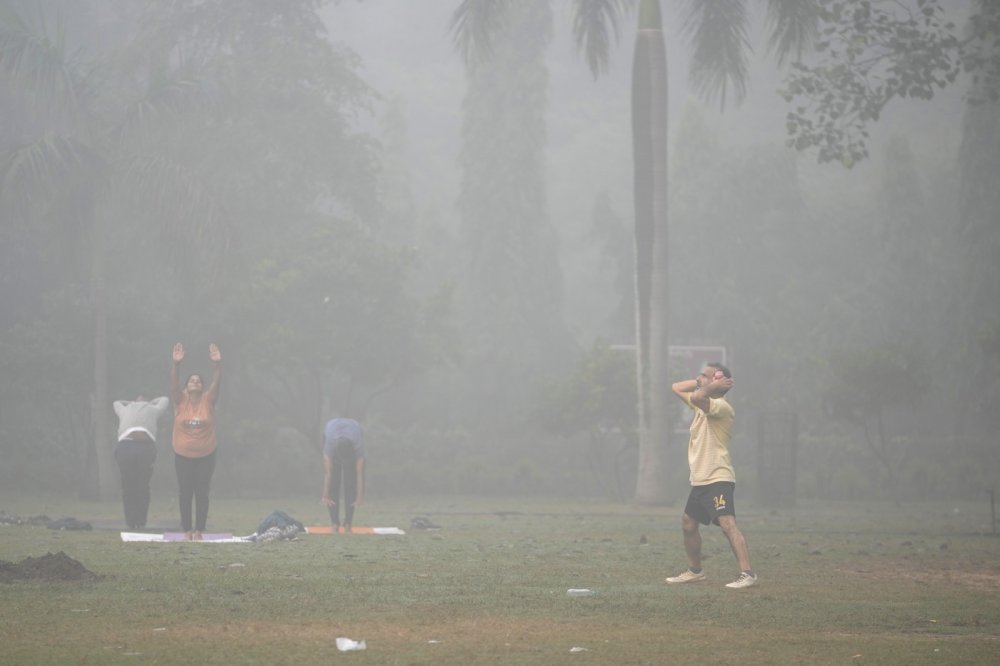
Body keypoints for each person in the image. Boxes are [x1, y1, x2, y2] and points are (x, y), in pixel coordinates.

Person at [665, 362, 757, 589]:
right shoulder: (701, 404)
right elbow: (676, 387)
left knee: (727, 524)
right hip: (701, 479)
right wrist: (702, 381)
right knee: (688, 523)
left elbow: (697, 398)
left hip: (718, 477)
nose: (699, 379)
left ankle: (748, 574)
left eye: (705, 376)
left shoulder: (722, 407)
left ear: (718, 382)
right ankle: (695, 571)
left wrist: (710, 385)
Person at [170, 342, 222, 541]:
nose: (195, 383)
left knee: (202, 493)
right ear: (186, 386)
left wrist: (217, 365)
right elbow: (174, 384)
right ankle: (186, 531)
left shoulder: (208, 400)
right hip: (182, 455)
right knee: (185, 493)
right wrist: (176, 365)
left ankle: (199, 530)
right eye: (191, 380)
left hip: (206, 455)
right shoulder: (180, 400)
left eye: (199, 381)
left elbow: (216, 384)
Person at [112, 394, 170, 529]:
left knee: (142, 485)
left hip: (145, 447)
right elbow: (116, 402)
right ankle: (130, 521)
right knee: (128, 486)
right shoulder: (125, 410)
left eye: (143, 399)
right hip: (125, 446)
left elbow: (164, 399)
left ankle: (140, 521)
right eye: (138, 398)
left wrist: (150, 402)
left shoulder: (153, 410)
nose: (140, 400)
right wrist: (131, 402)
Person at [321, 417, 365, 533]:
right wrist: (325, 493)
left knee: (350, 485)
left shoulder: (357, 445)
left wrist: (360, 495)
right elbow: (328, 472)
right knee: (333, 484)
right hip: (331, 432)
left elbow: (359, 473)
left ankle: (348, 524)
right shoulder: (330, 445)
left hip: (355, 431)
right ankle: (334, 523)